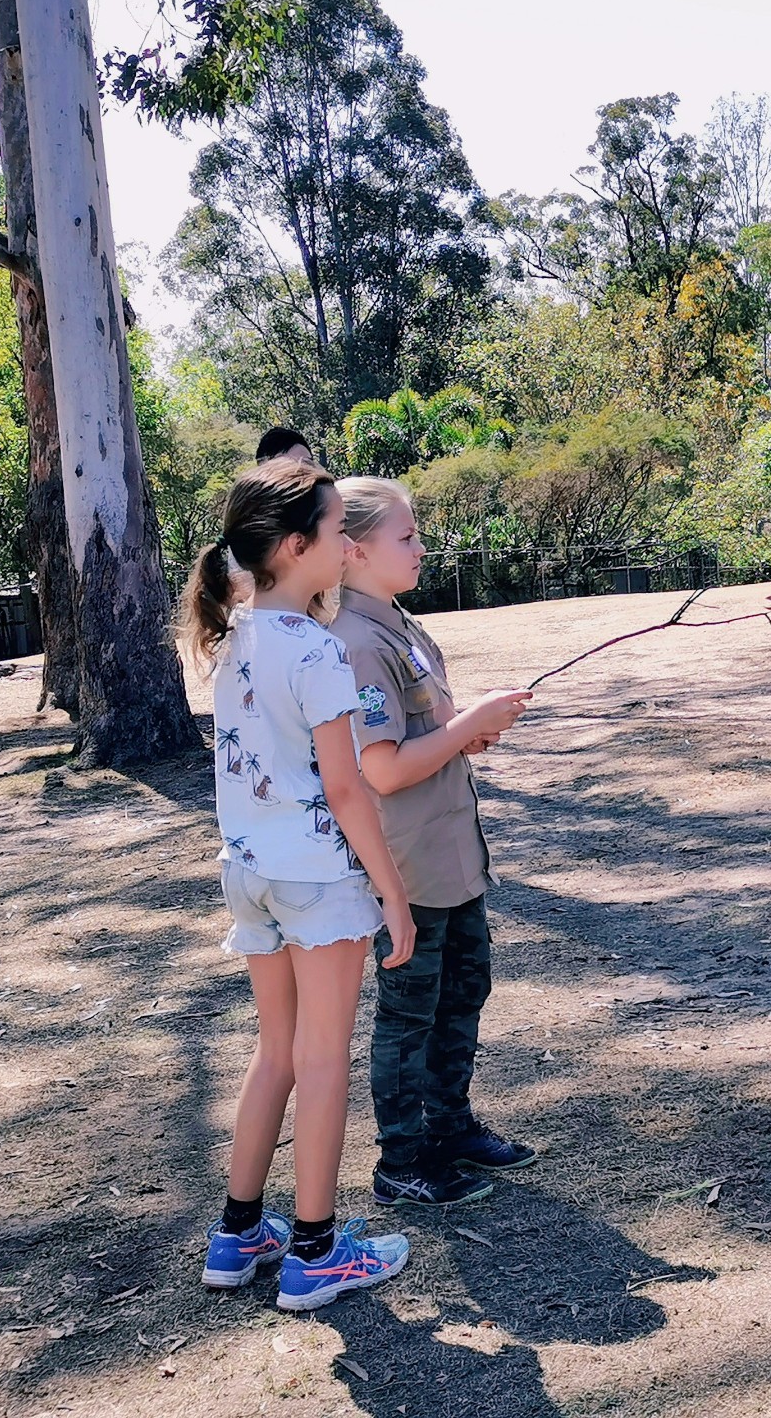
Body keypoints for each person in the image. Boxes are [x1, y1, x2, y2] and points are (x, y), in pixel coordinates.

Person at [181, 458, 418, 1313]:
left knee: (276, 1053)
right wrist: (391, 892)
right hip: (317, 880)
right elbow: (347, 786)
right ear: (297, 546)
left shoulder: (234, 632)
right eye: (330, 531)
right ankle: (315, 1252)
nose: (342, 545)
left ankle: (238, 1233)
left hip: (248, 874)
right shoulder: (315, 648)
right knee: (321, 1062)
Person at [330, 476, 536, 1206]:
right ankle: (402, 1160)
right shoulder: (355, 643)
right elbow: (381, 772)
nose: (421, 548)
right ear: (352, 550)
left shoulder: (401, 626)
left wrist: (470, 733)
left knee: (463, 992)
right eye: (406, 537)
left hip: (452, 857)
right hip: (407, 867)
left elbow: (430, 739)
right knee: (410, 1010)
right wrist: (463, 724)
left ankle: (451, 1127)